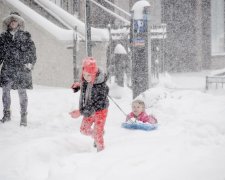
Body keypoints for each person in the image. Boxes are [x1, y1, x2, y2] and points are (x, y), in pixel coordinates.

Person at [0, 12, 36, 126]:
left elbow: (32, 52)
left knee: (22, 92)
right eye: (11, 20)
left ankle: (23, 116)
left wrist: (30, 63)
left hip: (22, 69)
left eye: (15, 20)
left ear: (19, 22)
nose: (13, 22)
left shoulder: (26, 36)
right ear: (8, 22)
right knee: (5, 91)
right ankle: (6, 114)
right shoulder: (3, 37)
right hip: (8, 68)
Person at [69, 57, 109, 152]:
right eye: (84, 75)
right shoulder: (87, 80)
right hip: (89, 110)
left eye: (89, 75)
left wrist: (80, 112)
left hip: (100, 111)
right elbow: (85, 85)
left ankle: (101, 151)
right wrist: (78, 86)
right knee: (83, 129)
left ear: (94, 74)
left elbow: (96, 104)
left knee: (97, 132)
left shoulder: (100, 87)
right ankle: (96, 135)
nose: (86, 77)